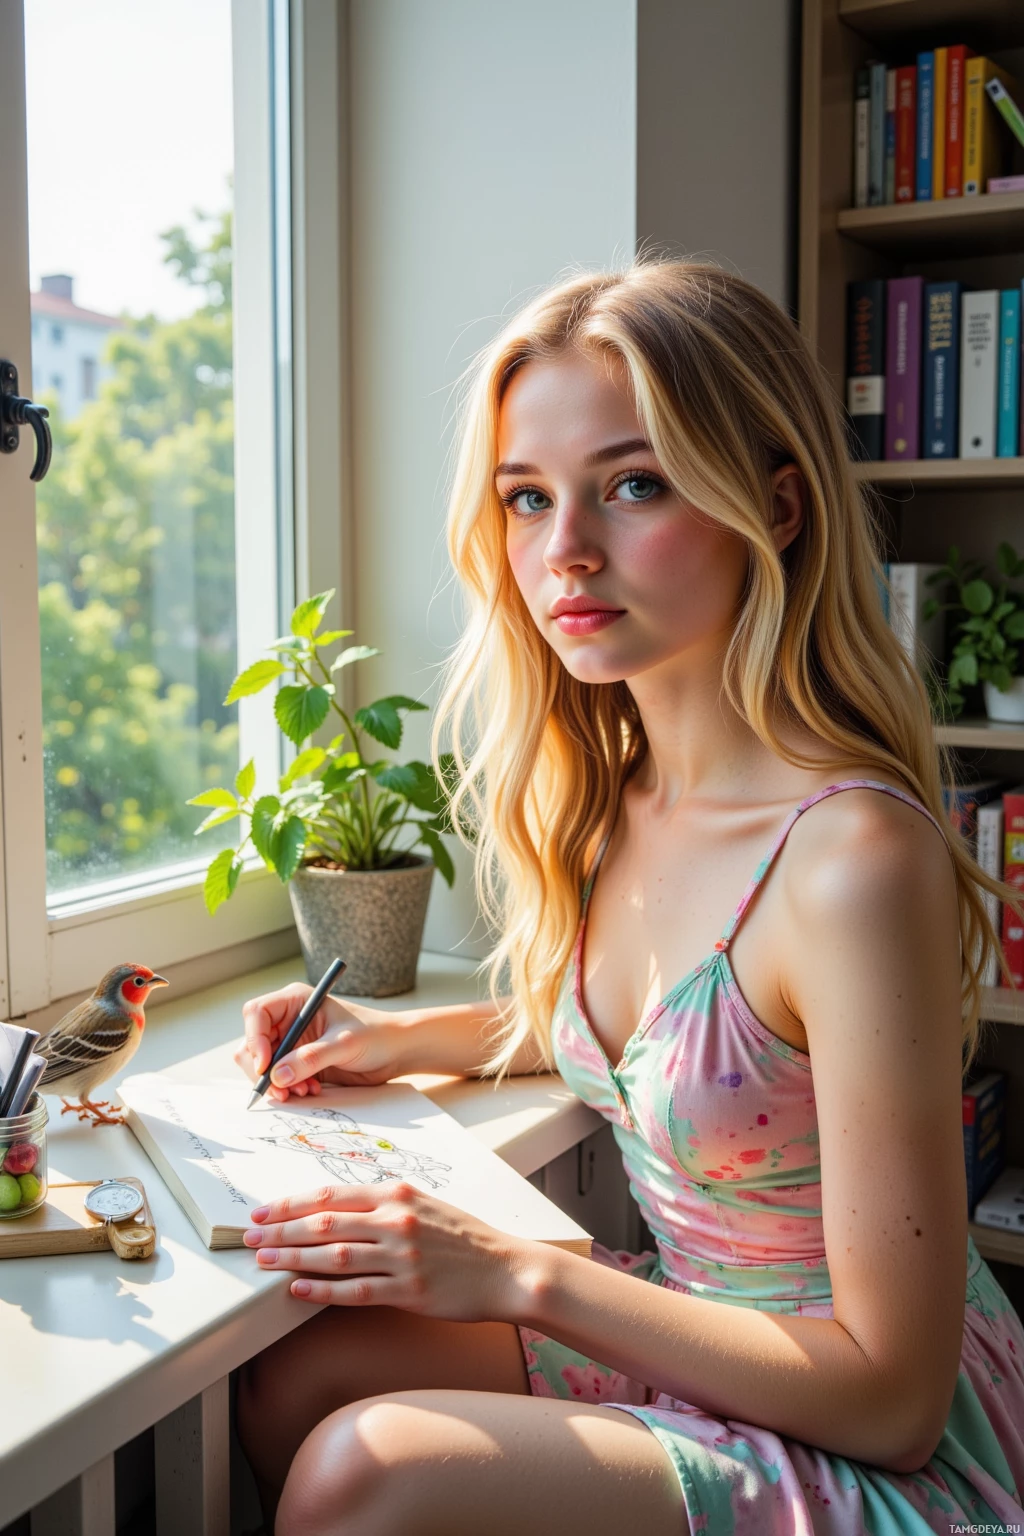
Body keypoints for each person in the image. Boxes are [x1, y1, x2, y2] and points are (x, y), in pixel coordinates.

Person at [234, 261, 1024, 1535]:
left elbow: (894, 1398)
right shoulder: (613, 800)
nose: (566, 554)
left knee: (361, 1472)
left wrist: (521, 1277)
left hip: (868, 1430)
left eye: (633, 486)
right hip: (706, 1334)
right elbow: (678, 1048)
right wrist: (389, 1040)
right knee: (297, 1374)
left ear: (774, 506)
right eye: (527, 500)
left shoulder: (854, 860)